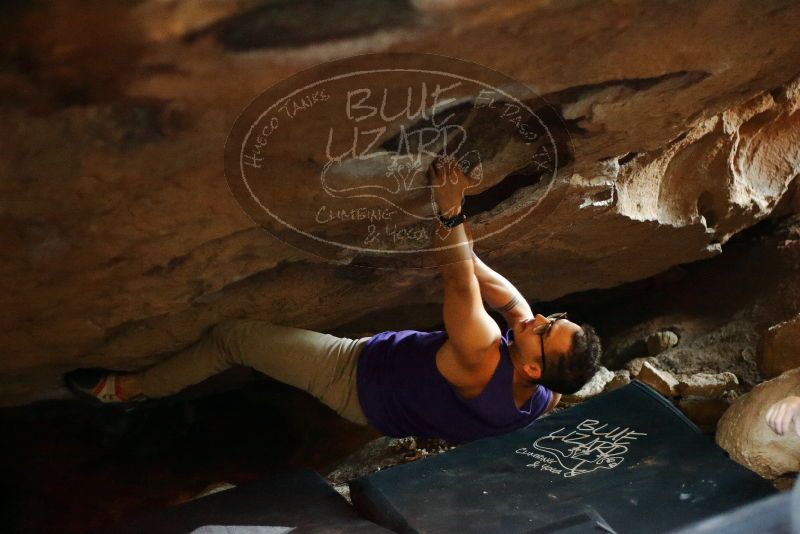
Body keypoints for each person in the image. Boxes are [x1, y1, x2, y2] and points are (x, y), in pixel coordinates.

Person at [66, 155, 601, 443]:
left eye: (544, 330)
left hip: (355, 380)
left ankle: (130, 390)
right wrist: (468, 256)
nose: (539, 318)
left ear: (532, 366)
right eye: (554, 318)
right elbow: (499, 293)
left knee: (236, 339)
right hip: (403, 397)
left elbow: (460, 280)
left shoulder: (482, 353)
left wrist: (450, 212)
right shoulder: (543, 393)